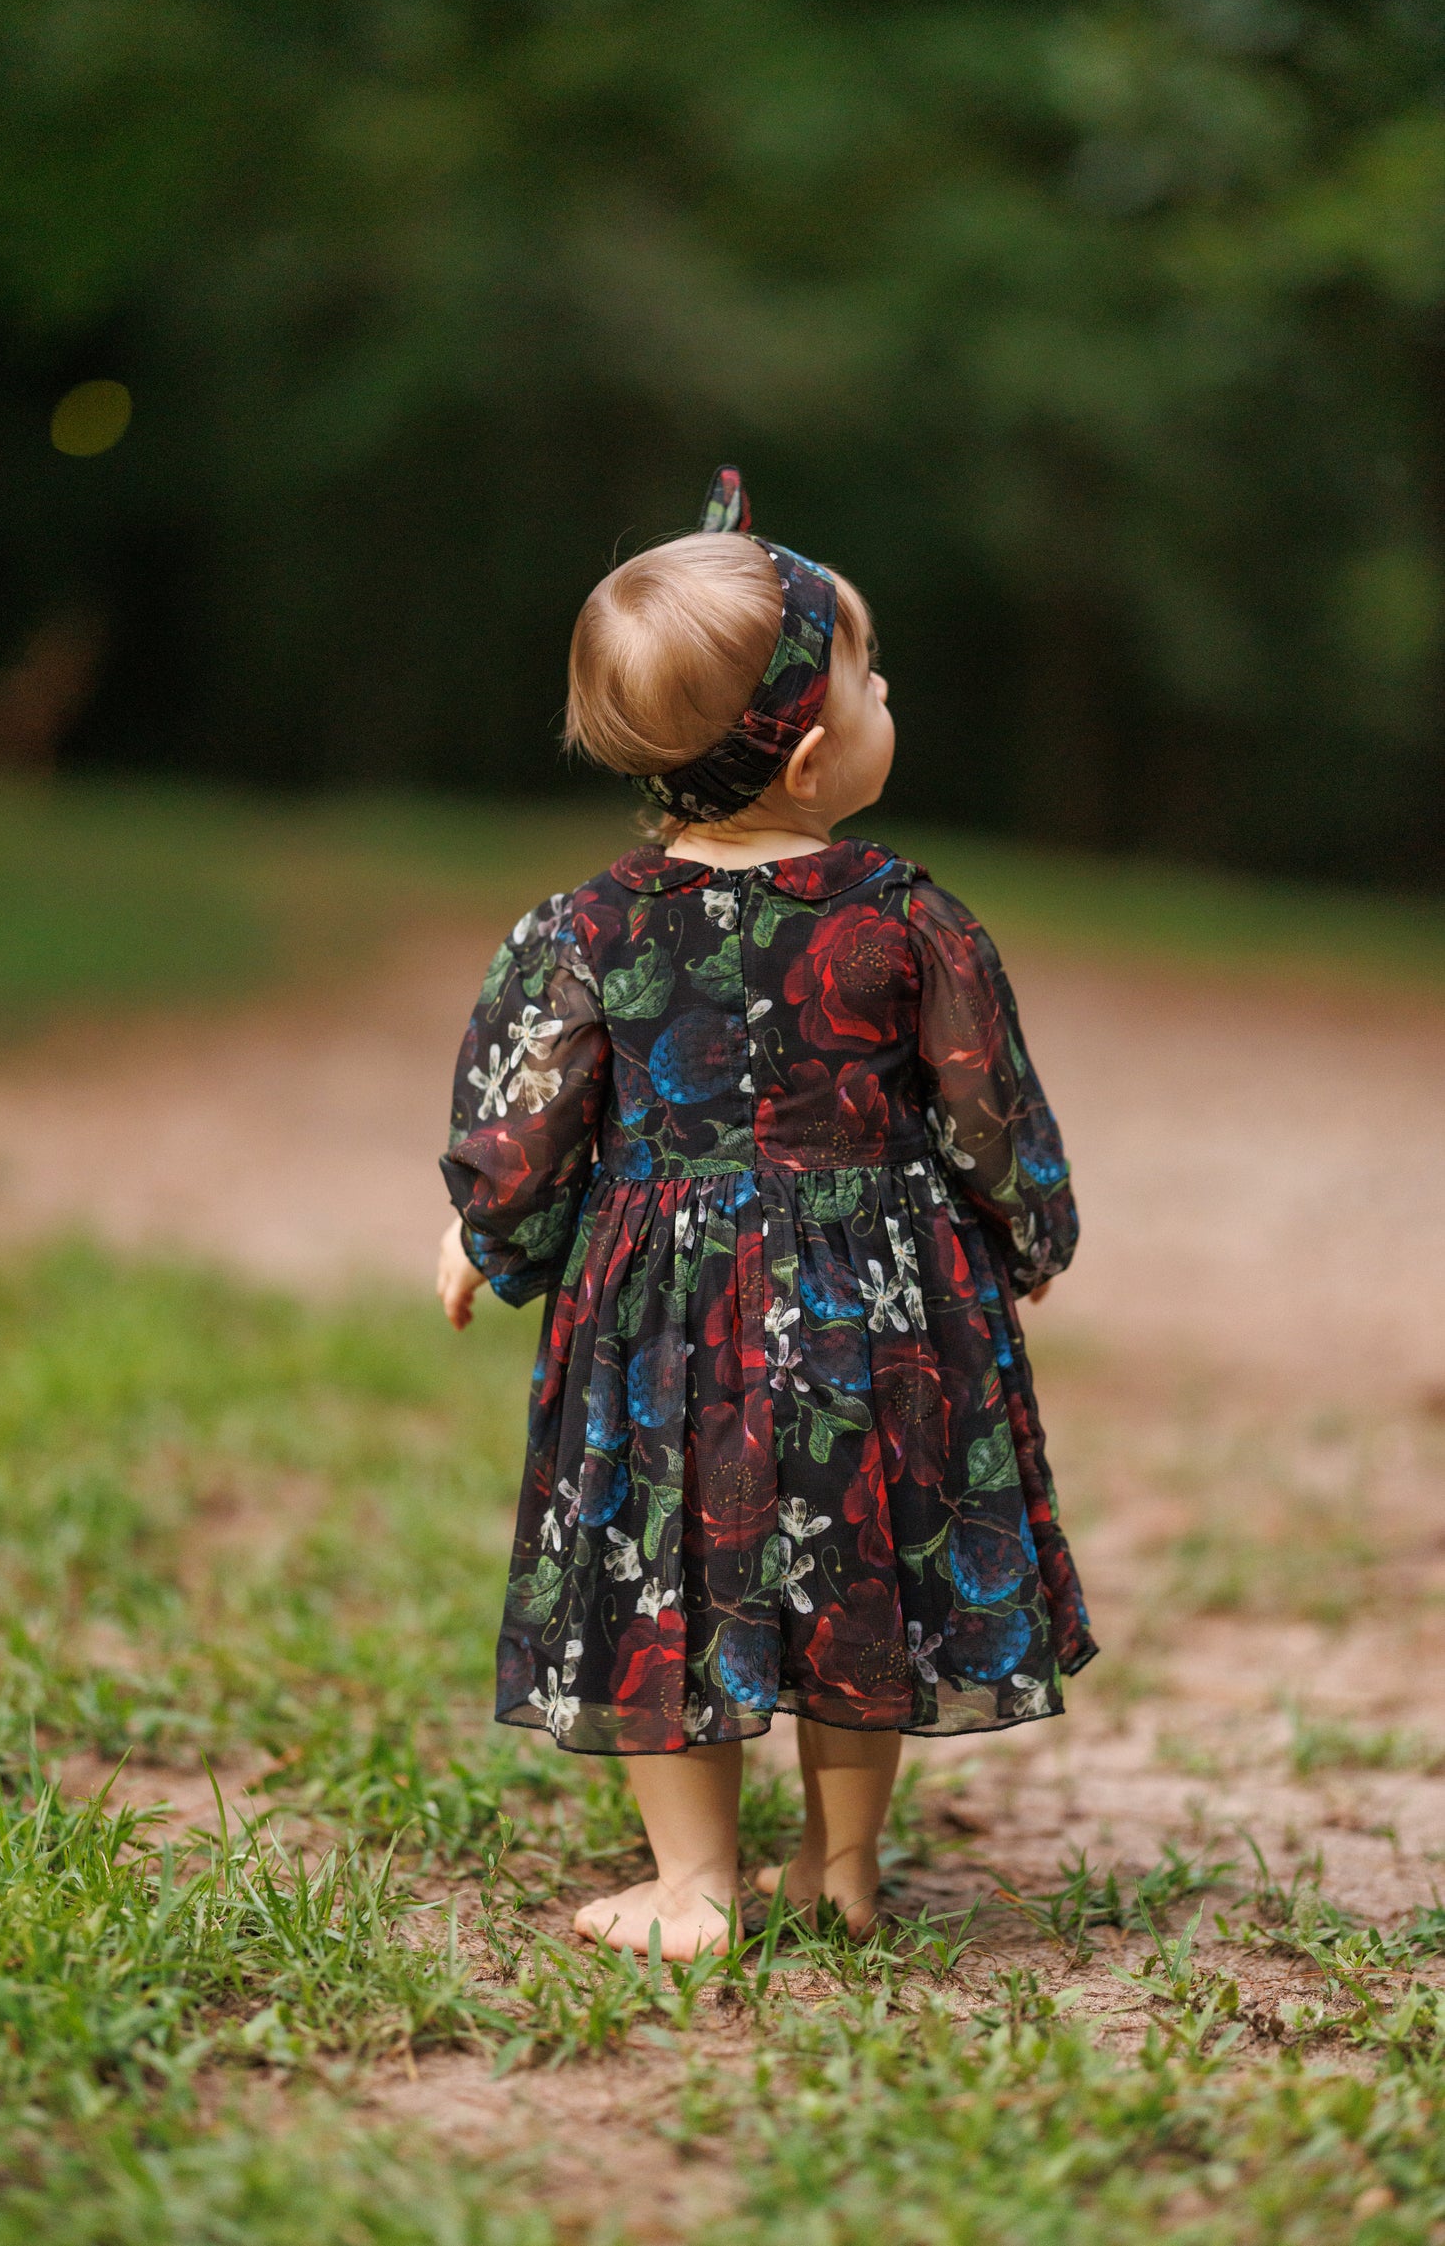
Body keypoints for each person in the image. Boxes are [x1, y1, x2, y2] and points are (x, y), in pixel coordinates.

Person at [436, 468, 1095, 1960]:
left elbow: (524, 1125)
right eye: (866, 675)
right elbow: (988, 1103)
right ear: (808, 757)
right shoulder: (907, 913)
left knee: (663, 1573)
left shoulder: (585, 931)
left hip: (661, 1332)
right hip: (874, 1317)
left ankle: (695, 1887)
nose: (888, 687)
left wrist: (486, 1237)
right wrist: (1028, 1229)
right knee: (859, 1570)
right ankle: (842, 1868)